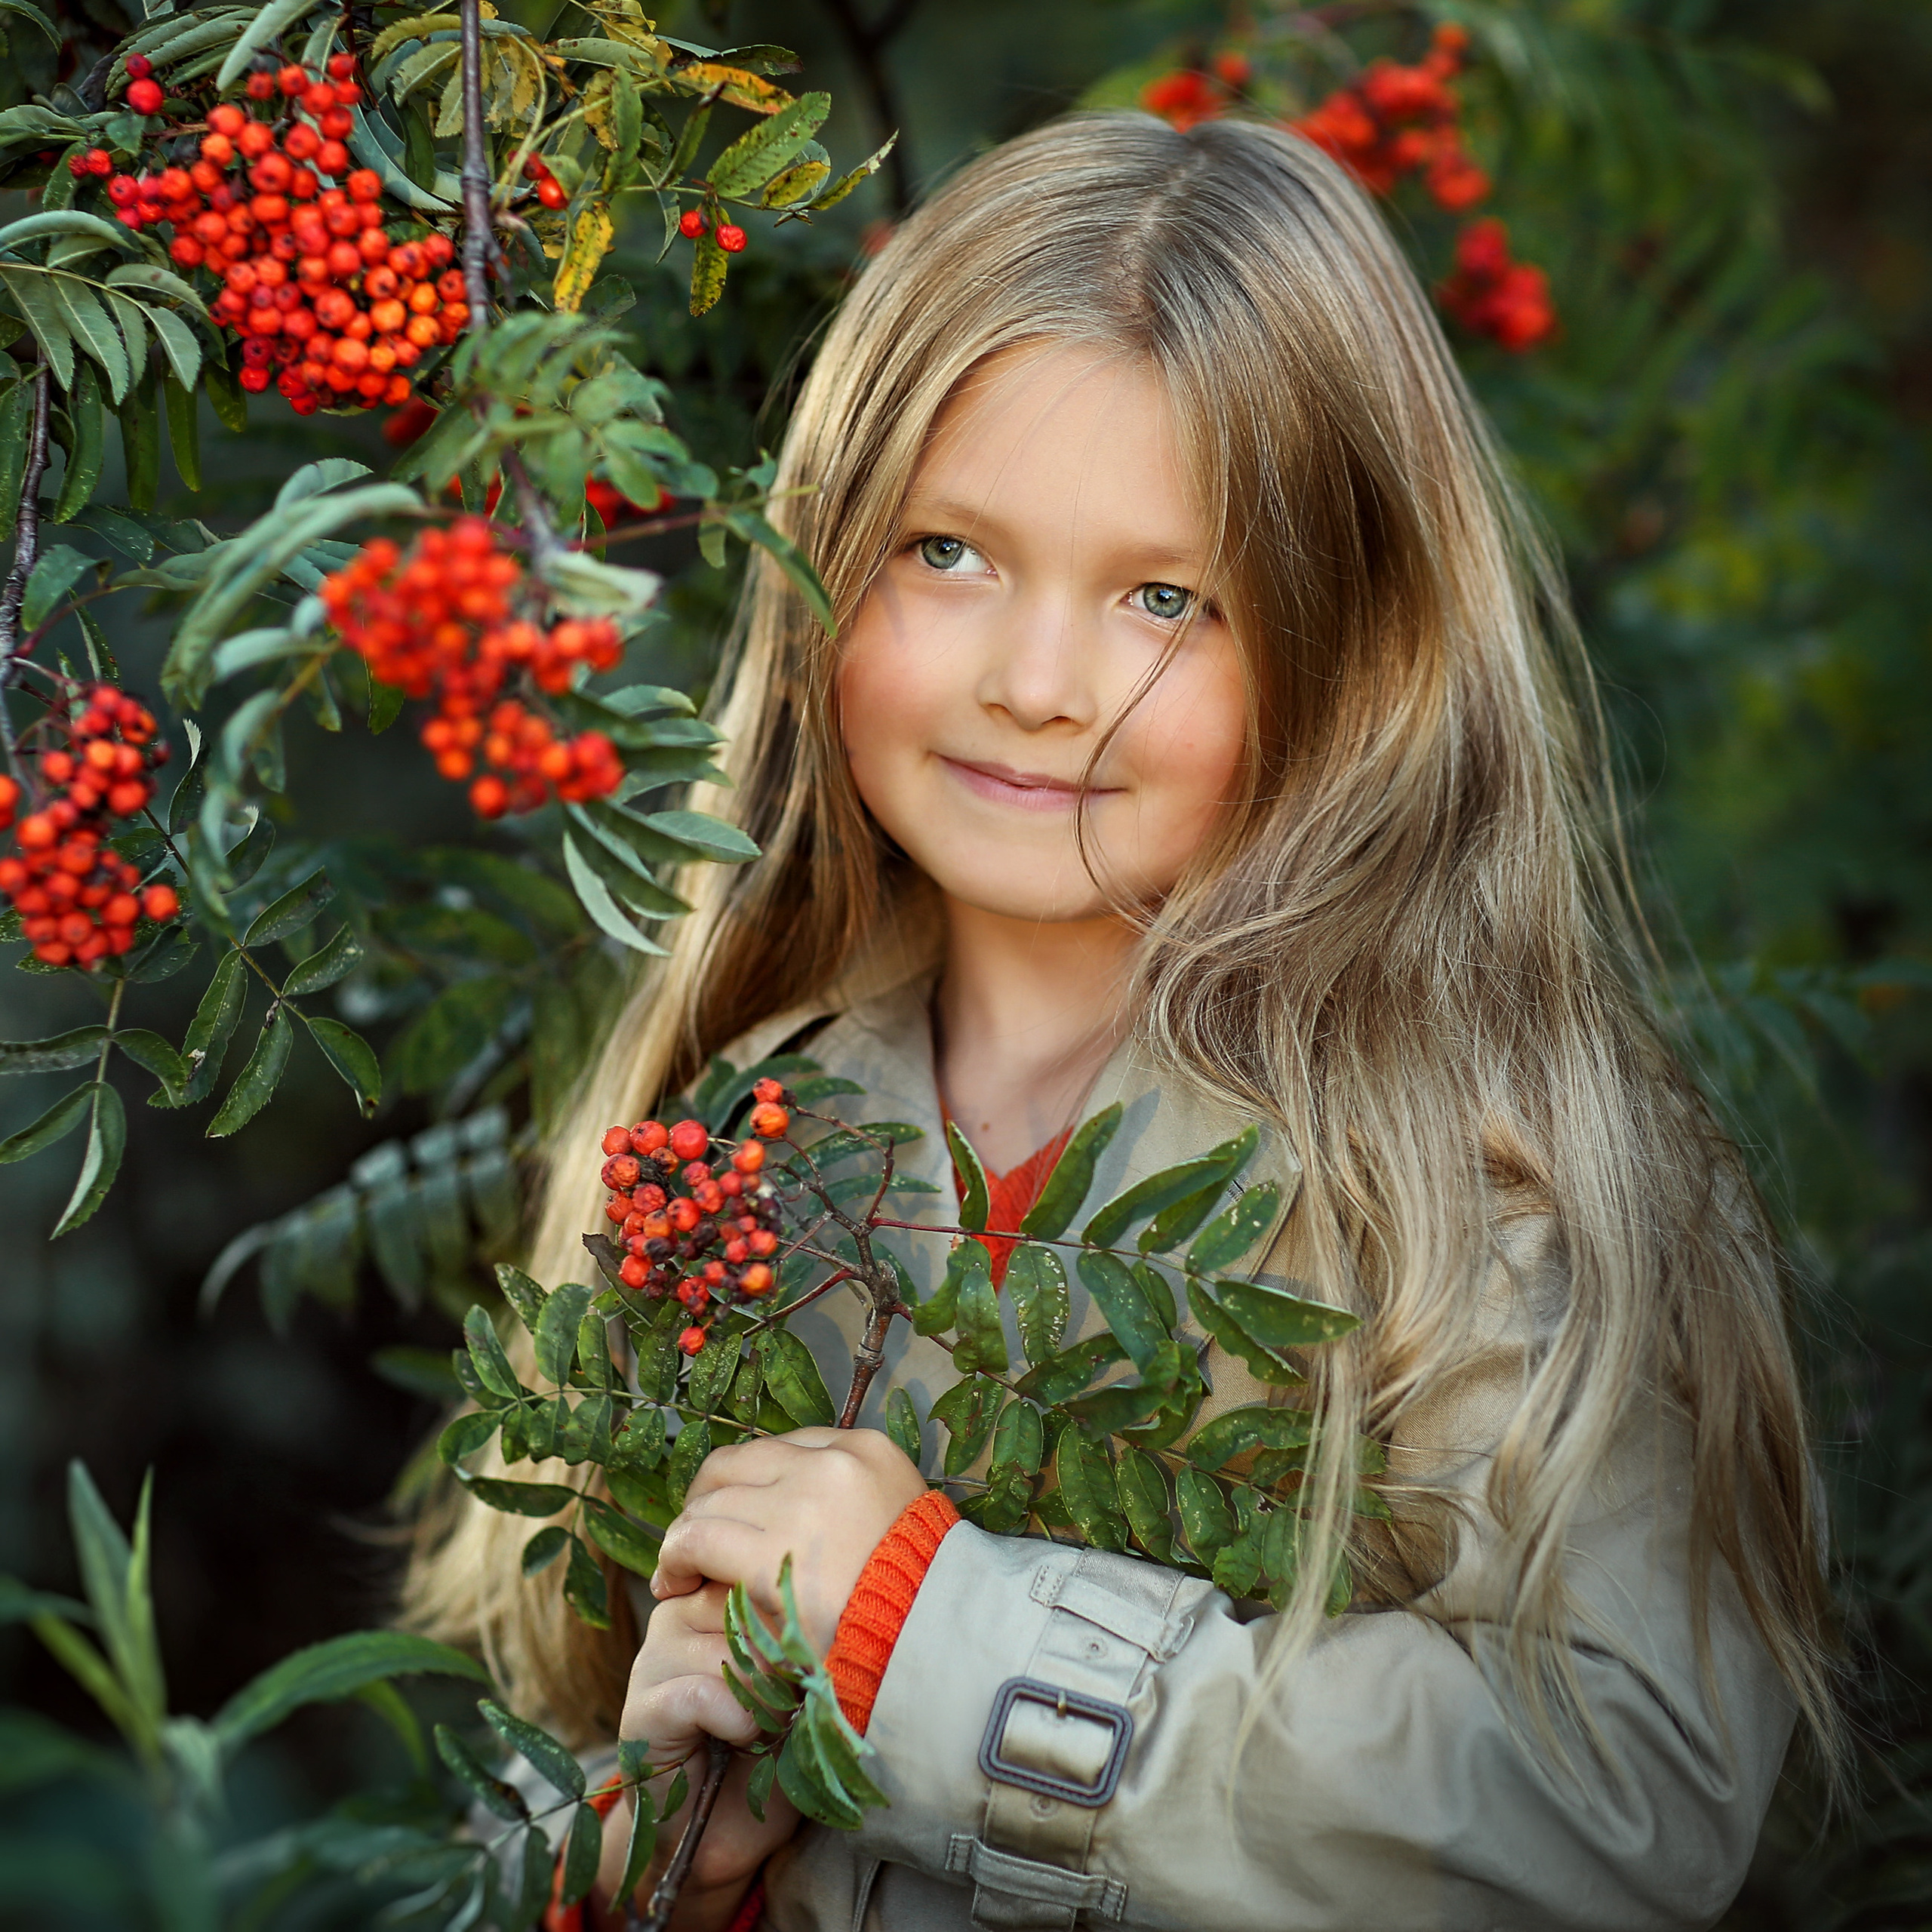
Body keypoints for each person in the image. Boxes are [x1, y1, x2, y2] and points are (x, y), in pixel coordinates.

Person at [405, 111, 1838, 1931]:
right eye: (946, 551)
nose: (1033, 679)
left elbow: (1620, 1799)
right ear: (822, 555)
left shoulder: (1478, 1163)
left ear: (1346, 641)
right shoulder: (735, 1128)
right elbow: (586, 1672)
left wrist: (930, 1644)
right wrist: (667, 1868)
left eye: (1165, 598)